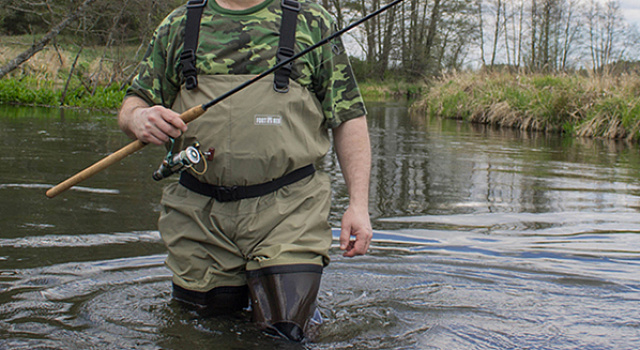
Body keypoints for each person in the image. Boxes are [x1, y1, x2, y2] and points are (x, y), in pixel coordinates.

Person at [117, 0, 372, 341]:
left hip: (290, 210)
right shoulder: (178, 25)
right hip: (198, 217)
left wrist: (358, 205)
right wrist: (138, 119)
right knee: (201, 335)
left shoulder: (313, 23)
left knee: (285, 334)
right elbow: (134, 103)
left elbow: (349, 117)